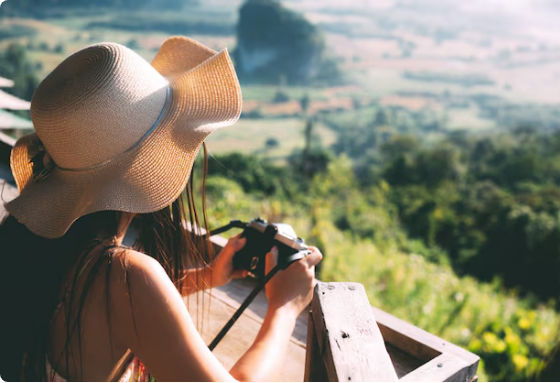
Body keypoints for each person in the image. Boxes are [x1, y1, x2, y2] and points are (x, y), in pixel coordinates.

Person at [0, 36, 322, 382]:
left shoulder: (23, 241)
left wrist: (207, 278)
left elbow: (112, 311)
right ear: (146, 165)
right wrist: (285, 308)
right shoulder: (125, 276)